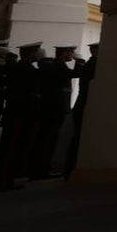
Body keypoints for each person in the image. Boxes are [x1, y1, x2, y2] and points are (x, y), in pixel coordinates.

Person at [0, 41, 42, 191]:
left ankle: (3, 179)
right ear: (30, 53)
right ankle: (3, 181)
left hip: (15, 112)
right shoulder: (25, 69)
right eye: (36, 51)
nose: (38, 54)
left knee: (8, 146)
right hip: (20, 113)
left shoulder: (16, 67)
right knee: (11, 147)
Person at [29, 44, 80, 179]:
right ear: (64, 53)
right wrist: (79, 61)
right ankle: (41, 170)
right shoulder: (58, 66)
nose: (72, 54)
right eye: (71, 52)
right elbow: (75, 73)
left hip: (53, 109)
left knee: (47, 139)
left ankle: (39, 169)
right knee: (48, 140)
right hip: (54, 110)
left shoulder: (56, 65)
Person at [64, 41, 98, 178]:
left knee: (78, 137)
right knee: (79, 138)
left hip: (81, 104)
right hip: (83, 104)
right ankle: (71, 169)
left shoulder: (90, 63)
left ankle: (70, 169)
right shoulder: (92, 64)